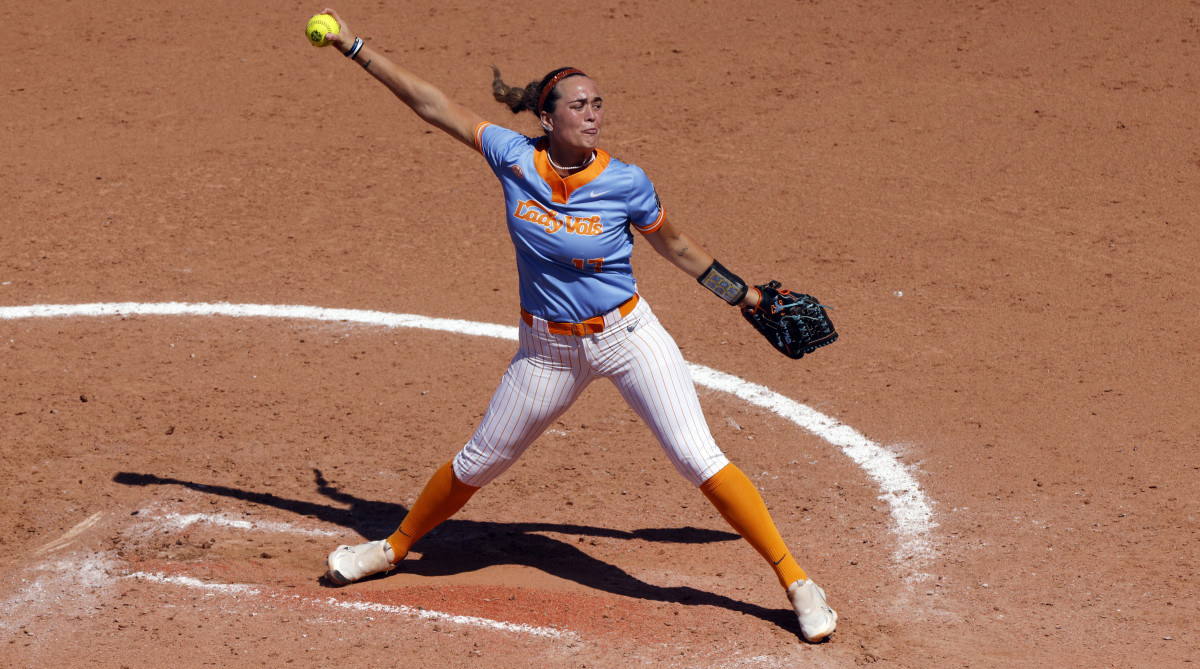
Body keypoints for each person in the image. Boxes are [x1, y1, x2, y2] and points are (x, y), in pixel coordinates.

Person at [313, 8, 837, 643]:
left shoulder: (625, 181)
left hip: (627, 337)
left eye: (598, 104)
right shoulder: (512, 157)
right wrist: (354, 47)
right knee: (481, 459)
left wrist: (747, 296)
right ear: (547, 115)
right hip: (546, 353)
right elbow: (433, 104)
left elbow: (678, 249)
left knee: (698, 457)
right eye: (579, 105)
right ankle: (392, 548)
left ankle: (797, 582)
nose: (592, 114)